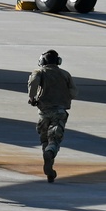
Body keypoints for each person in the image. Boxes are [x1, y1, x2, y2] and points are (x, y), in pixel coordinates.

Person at [27, 49, 78, 183]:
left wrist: (32, 98)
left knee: (44, 138)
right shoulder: (65, 74)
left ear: (42, 61)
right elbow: (73, 93)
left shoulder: (39, 72)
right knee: (54, 139)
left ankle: (49, 165)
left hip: (43, 112)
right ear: (58, 61)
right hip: (60, 112)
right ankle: (49, 155)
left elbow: (33, 83)